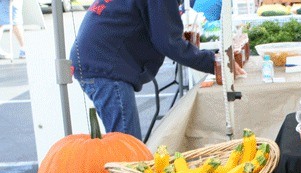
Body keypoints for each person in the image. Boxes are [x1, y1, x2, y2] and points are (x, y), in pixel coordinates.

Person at [69, 0, 245, 140]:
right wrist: (212, 61)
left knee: (124, 143)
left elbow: (162, 35)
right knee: (126, 146)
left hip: (96, 59)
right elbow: (168, 42)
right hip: (103, 65)